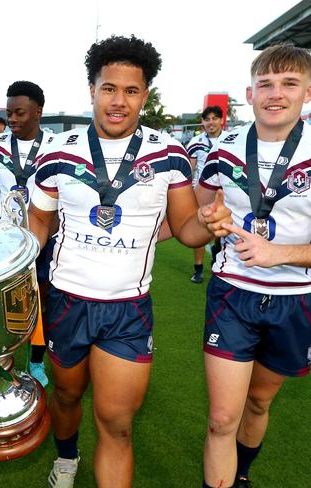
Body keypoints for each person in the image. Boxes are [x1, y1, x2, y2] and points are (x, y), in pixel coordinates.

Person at [27, 35, 231, 488]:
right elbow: (39, 221)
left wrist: (207, 219)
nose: (119, 101)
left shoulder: (168, 152)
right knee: (66, 394)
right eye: (109, 88)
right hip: (66, 301)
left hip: (127, 310)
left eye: (132, 91)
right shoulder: (57, 150)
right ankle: (66, 455)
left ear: (145, 95)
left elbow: (184, 229)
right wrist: (20, 249)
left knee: (117, 423)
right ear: (92, 90)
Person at [196, 43, 311, 488]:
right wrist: (213, 219)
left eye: (289, 83)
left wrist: (279, 254)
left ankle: (240, 476)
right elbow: (204, 213)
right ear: (250, 92)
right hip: (233, 294)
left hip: (296, 298)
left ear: (307, 92)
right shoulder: (223, 148)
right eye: (265, 84)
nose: (275, 93)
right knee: (223, 417)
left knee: (258, 404)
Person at [0, 80, 53, 387]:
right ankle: (2, 358)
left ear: (38, 112)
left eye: (20, 112)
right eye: (9, 113)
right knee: (2, 304)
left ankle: (35, 361)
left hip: (44, 240)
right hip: (4, 241)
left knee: (40, 304)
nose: (13, 119)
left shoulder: (56, 147)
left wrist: (43, 236)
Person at [186, 105, 227, 284]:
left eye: (214, 118)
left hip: (224, 193)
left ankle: (218, 258)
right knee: (200, 230)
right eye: (207, 119)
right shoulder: (196, 142)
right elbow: (190, 168)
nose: (211, 122)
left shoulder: (230, 140)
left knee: (221, 231)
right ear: (203, 122)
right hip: (200, 192)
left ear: (221, 120)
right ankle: (198, 269)